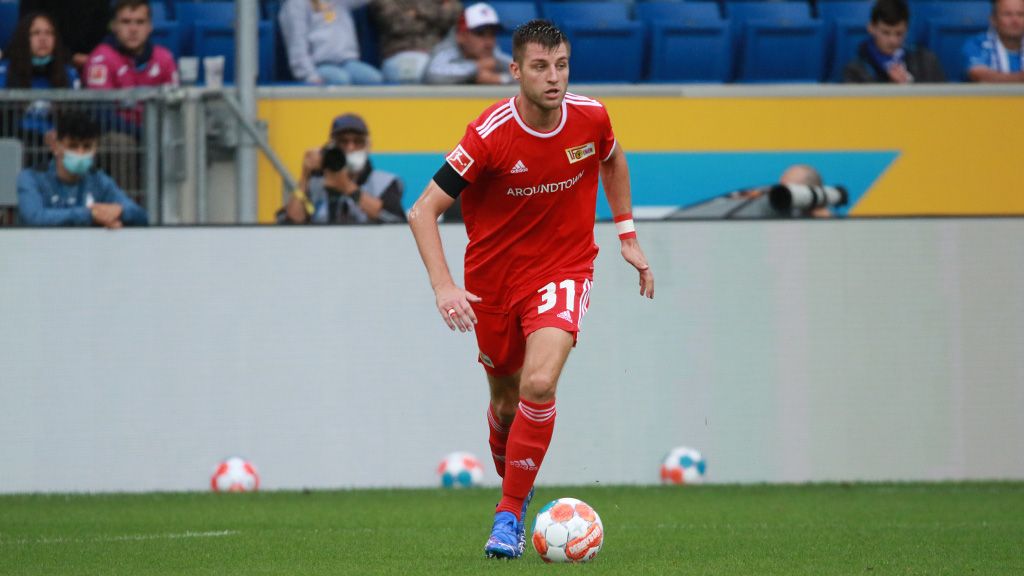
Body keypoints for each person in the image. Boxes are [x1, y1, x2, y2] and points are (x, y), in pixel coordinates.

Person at [408, 20, 654, 559]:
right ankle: (518, 491)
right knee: (504, 404)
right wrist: (444, 285)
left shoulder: (591, 116)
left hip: (565, 268)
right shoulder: (489, 133)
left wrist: (627, 234)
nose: (554, 77)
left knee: (538, 384)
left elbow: (611, 157)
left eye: (561, 64)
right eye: (541, 67)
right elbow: (423, 209)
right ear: (516, 70)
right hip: (494, 283)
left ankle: (508, 513)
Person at [16, 110, 148, 227]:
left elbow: (140, 215)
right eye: (73, 146)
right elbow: (34, 218)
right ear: (55, 146)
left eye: (87, 147)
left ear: (95, 149)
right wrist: (90, 215)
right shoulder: (31, 178)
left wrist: (119, 211)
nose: (80, 153)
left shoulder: (99, 180)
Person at [279, 113, 406, 224]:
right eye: (343, 141)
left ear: (368, 145)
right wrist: (305, 176)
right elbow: (291, 222)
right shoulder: (315, 181)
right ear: (332, 145)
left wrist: (347, 187)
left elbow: (396, 222)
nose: (350, 147)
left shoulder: (385, 182)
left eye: (357, 141)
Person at [0, 12, 81, 165]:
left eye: (49, 33)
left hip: (58, 144)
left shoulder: (68, 73)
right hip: (15, 144)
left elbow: (76, 116)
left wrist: (62, 135)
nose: (43, 39)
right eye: (35, 33)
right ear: (24, 38)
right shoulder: (5, 71)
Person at [278, 0, 384, 85]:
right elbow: (297, 44)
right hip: (318, 66)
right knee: (341, 80)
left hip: (347, 62)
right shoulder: (294, 4)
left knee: (374, 79)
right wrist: (308, 75)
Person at [84, 0, 178, 92]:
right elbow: (100, 105)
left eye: (140, 22)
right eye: (126, 22)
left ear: (150, 26)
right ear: (113, 26)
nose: (133, 29)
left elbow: (174, 104)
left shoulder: (164, 59)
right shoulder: (100, 60)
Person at [843, 0, 946, 83]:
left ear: (907, 30)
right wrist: (890, 88)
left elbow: (943, 100)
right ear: (871, 28)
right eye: (886, 32)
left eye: (899, 33)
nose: (893, 40)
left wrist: (911, 84)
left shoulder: (927, 62)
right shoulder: (855, 70)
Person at [370, 0, 462, 83]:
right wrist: (434, 12)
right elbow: (398, 25)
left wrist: (416, 12)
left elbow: (454, 13)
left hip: (434, 56)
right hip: (402, 53)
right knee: (426, 74)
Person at [424, 2, 513, 85]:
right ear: (461, 36)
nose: (489, 42)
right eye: (480, 34)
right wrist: (476, 67)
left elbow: (521, 73)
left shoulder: (493, 51)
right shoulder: (449, 48)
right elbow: (432, 75)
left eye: (492, 34)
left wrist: (501, 79)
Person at [19, 0, 111, 70]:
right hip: (50, 58)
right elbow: (27, 29)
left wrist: (95, 58)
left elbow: (105, 30)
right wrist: (68, 56)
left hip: (93, 59)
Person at [963, 0, 1024, 82]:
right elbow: (981, 77)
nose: (1015, 20)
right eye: (1007, 14)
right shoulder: (977, 44)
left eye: (1021, 14)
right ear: (993, 19)